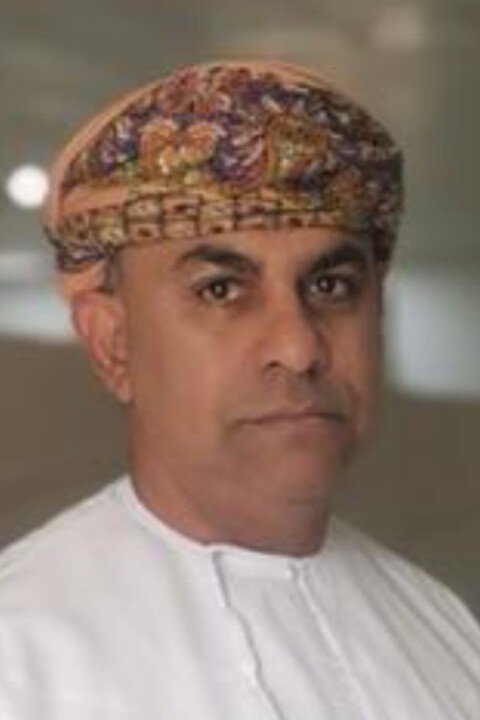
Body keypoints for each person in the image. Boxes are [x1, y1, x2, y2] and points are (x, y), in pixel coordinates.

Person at [0, 60, 479, 720]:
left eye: (332, 285)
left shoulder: (444, 633)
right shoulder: (21, 655)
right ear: (113, 343)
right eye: (221, 290)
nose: (299, 348)